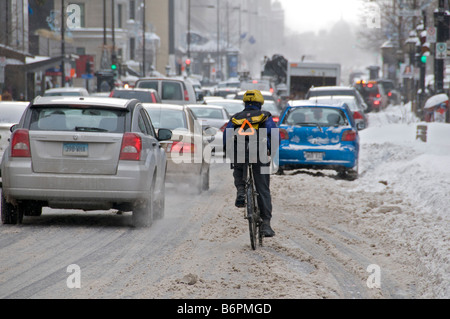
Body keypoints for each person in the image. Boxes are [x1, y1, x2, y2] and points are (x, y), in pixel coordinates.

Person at [223, 90, 278, 237]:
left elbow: (226, 136)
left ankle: (241, 191)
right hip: (259, 153)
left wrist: (229, 154)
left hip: (239, 152)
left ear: (245, 104)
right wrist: (271, 153)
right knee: (263, 188)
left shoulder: (235, 118)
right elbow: (273, 135)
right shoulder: (265, 116)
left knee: (239, 170)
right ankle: (266, 224)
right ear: (260, 104)